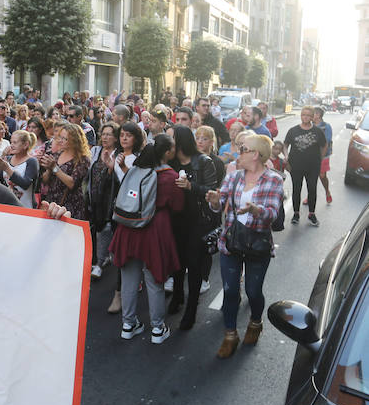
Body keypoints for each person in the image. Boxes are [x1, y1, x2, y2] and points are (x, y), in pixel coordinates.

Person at [205, 134, 284, 358]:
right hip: (231, 242)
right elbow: (219, 205)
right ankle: (230, 334)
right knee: (230, 290)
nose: (238, 153)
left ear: (256, 154)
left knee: (253, 291)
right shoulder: (234, 177)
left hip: (258, 245)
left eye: (243, 149)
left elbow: (271, 215)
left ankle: (255, 322)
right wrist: (213, 201)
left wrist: (255, 210)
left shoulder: (274, 180)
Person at [109, 135, 184, 344]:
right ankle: (158, 329)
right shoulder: (171, 177)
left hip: (129, 227)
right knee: (154, 281)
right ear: (167, 152)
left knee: (129, 280)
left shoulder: (136, 169)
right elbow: (178, 207)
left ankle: (128, 324)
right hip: (155, 230)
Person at [166, 126, 220, 329]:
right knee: (177, 262)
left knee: (194, 265)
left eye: (171, 138)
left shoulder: (203, 161)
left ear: (180, 141)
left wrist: (191, 187)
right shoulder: (169, 161)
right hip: (175, 219)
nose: (168, 141)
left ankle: (191, 309)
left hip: (198, 221)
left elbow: (212, 191)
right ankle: (178, 295)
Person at [87, 121, 120, 279]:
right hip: (93, 195)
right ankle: (102, 256)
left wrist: (112, 168)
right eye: (103, 134)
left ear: (115, 138)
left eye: (109, 134)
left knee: (105, 228)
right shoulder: (95, 150)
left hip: (110, 197)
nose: (105, 137)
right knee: (95, 228)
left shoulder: (119, 154)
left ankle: (99, 263)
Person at [283, 105, 326, 226]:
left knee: (312, 189)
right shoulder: (293, 130)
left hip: (313, 166)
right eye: (303, 115)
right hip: (295, 165)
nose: (305, 117)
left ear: (312, 117)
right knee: (297, 189)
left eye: (308, 115)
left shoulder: (318, 131)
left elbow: (324, 145)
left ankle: (312, 214)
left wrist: (320, 159)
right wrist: (286, 156)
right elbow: (285, 145)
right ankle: (296, 213)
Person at [39, 122, 91, 220]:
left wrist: (55, 168)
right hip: (53, 201)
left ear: (75, 141)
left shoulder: (82, 159)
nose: (61, 141)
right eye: (60, 137)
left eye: (65, 139)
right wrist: (49, 169)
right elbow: (45, 180)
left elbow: (72, 183)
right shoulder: (58, 153)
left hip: (70, 205)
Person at [0, 129, 39, 208]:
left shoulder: (32, 161)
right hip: (7, 205)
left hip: (25, 207)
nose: (11, 145)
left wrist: (7, 169)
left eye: (15, 142)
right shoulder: (8, 159)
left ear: (25, 145)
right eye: (11, 142)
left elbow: (25, 184)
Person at [312, 106, 333, 204]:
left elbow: (327, 141)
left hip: (323, 155)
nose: (310, 115)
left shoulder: (326, 126)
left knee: (322, 176)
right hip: (311, 155)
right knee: (311, 177)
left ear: (318, 115)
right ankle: (310, 196)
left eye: (313, 113)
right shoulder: (308, 125)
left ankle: (327, 191)